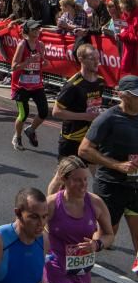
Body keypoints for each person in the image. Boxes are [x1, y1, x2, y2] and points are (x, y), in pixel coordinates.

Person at [79, 74, 138, 268]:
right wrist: (116, 165)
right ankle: (78, 267)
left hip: (135, 186)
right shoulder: (108, 118)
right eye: (135, 95)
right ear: (121, 95)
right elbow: (84, 150)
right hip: (111, 185)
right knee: (104, 236)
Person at [43, 156, 113, 283]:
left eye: (85, 179)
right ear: (64, 179)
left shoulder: (96, 203)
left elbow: (109, 235)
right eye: (77, 180)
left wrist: (96, 245)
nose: (84, 184)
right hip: (55, 270)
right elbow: (30, 232)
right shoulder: (51, 204)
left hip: (82, 274)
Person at [48, 44, 106, 192]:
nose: (96, 62)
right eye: (92, 58)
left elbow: (94, 105)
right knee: (62, 176)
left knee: (94, 172)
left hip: (90, 137)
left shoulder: (100, 81)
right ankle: (49, 208)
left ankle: (97, 205)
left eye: (98, 58)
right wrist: (85, 116)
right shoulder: (73, 85)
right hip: (72, 137)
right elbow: (56, 112)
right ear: (81, 59)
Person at [10, 19, 51, 151]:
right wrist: (28, 62)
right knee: (23, 114)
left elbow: (43, 62)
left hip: (36, 84)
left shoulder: (41, 45)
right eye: (34, 29)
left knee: (44, 111)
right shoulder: (22, 45)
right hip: (21, 86)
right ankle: (17, 136)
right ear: (27, 31)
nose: (36, 32)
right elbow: (14, 67)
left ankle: (31, 129)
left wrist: (44, 63)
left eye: (38, 29)